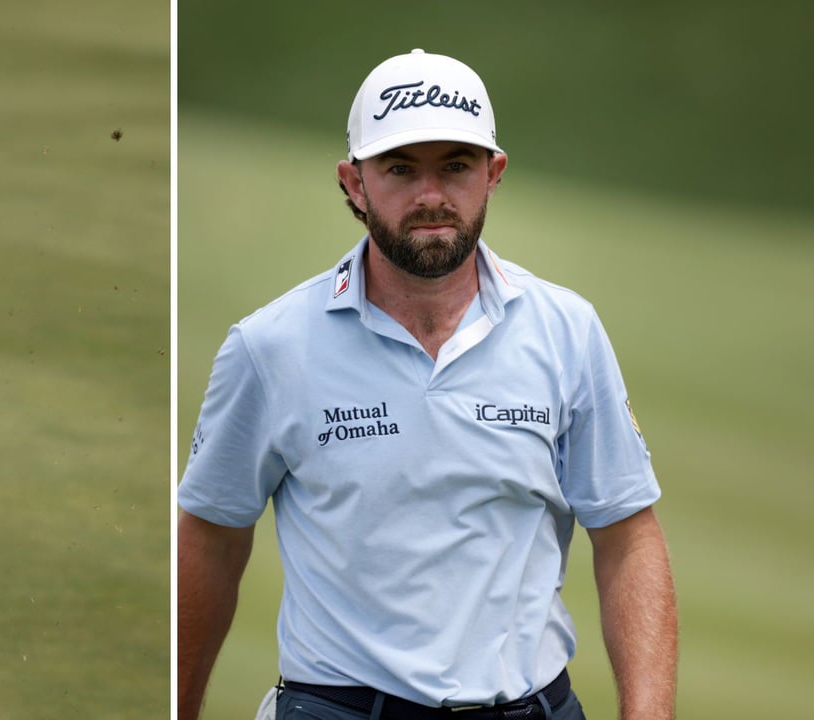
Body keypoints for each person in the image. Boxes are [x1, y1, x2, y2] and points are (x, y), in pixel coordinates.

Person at [177, 49, 678, 720]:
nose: (431, 196)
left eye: (455, 166)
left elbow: (627, 536)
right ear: (354, 183)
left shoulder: (567, 331)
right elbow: (210, 537)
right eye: (400, 169)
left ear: (493, 174)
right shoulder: (270, 347)